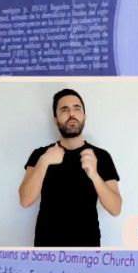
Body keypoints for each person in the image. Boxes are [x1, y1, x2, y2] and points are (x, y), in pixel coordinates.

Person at [18, 88, 122, 247]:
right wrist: (44, 162)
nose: (71, 114)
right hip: (46, 248)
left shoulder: (101, 156)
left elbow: (116, 209)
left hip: (87, 249)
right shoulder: (40, 154)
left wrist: (94, 175)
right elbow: (25, 200)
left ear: (84, 116)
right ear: (55, 120)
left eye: (77, 108)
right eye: (64, 110)